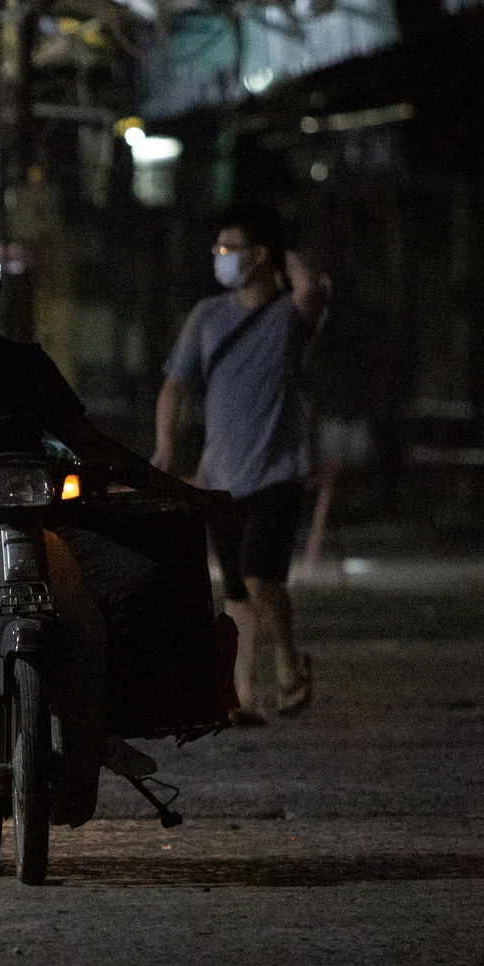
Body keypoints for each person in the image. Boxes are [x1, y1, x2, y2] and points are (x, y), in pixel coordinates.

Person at [0, 230, 223, 805]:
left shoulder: (26, 365)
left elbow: (91, 442)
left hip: (39, 529)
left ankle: (102, 723)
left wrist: (174, 489)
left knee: (139, 584)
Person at [152, 203, 329, 724]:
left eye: (231, 249)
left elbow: (311, 290)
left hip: (278, 471)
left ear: (260, 256)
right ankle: (248, 696)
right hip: (221, 476)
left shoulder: (290, 317)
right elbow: (174, 386)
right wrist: (165, 446)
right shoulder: (207, 317)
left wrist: (281, 248)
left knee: (257, 577)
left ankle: (287, 664)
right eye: (218, 248)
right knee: (238, 591)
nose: (220, 257)